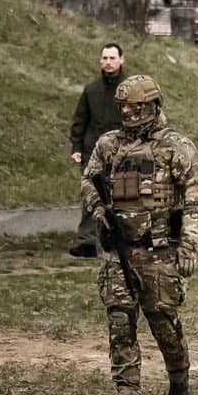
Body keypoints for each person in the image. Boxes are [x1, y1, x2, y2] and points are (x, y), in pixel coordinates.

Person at [79, 74, 198, 395]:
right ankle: (127, 394)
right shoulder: (109, 145)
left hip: (161, 252)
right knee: (119, 320)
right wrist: (98, 208)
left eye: (135, 106)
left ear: (152, 105)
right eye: (123, 106)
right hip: (120, 251)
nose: (128, 112)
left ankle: (179, 376)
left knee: (164, 321)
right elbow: (89, 178)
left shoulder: (175, 146)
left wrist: (189, 246)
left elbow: (195, 197)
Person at [69, 42, 126, 257]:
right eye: (105, 58)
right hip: (93, 152)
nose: (108, 62)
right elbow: (80, 120)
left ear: (122, 59)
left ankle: (116, 239)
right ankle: (87, 241)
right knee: (90, 196)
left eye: (112, 58)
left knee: (121, 197)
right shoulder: (91, 89)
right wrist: (76, 147)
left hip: (122, 153)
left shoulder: (130, 89)